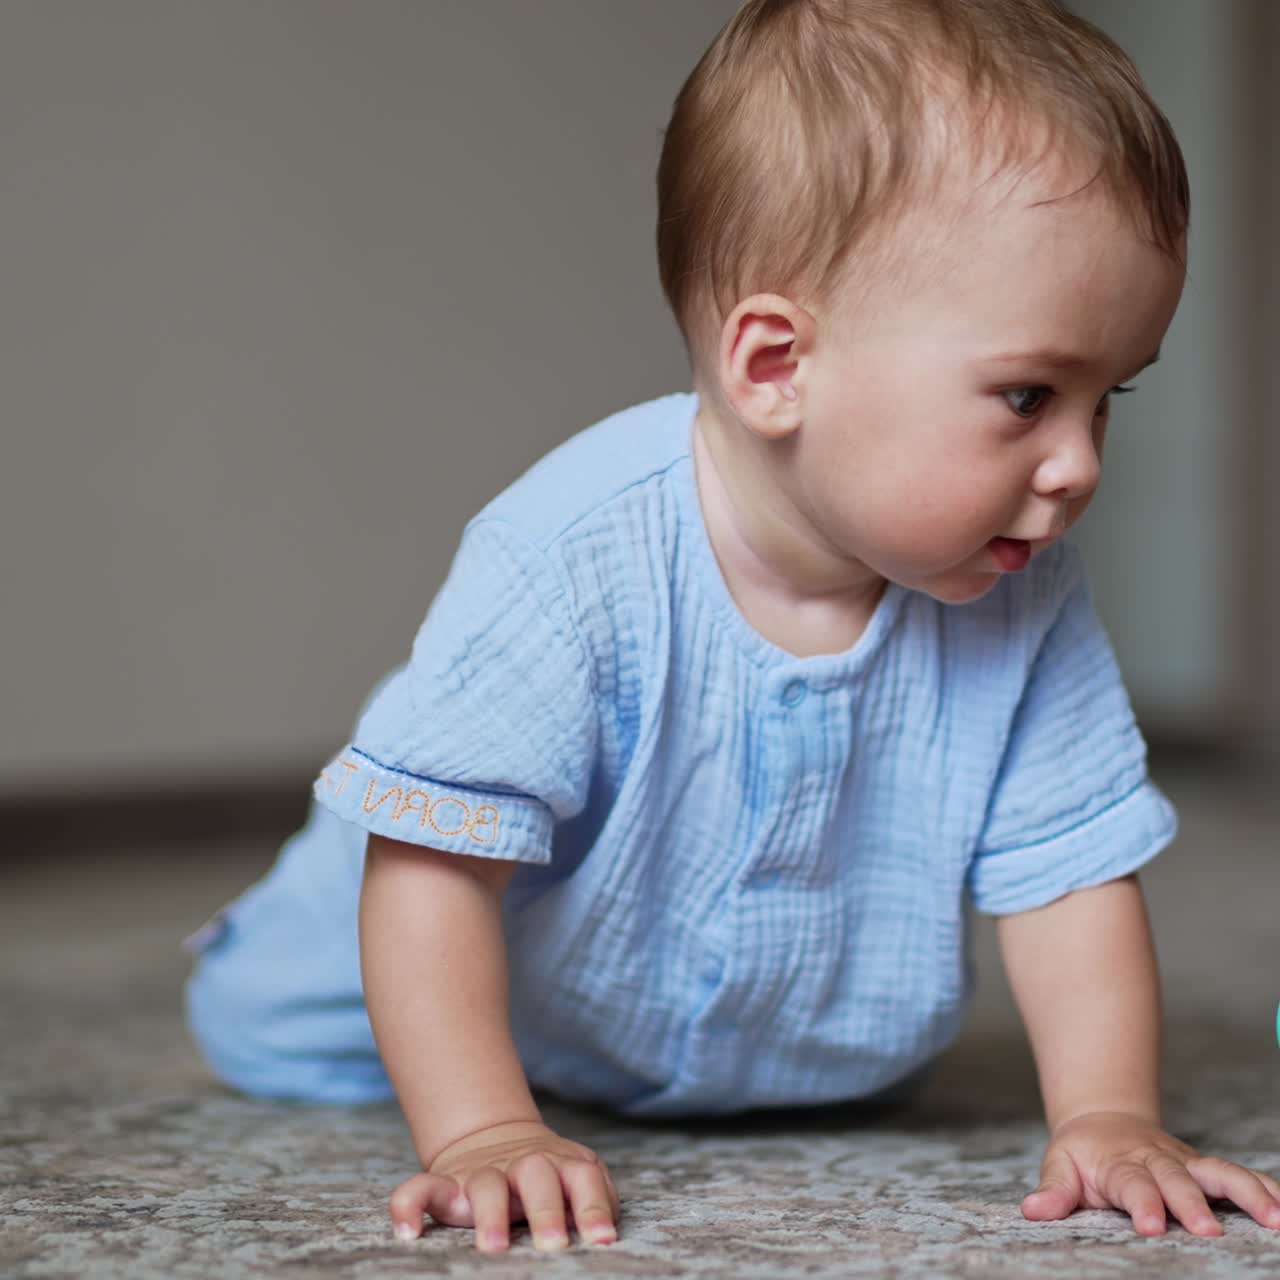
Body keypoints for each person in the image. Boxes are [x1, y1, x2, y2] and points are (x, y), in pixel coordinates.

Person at [184, 0, 1280, 1253]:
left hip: (767, 1027)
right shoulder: (570, 550)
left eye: (1107, 398)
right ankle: (337, 879)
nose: (1078, 464)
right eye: (1027, 395)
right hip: (415, 965)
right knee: (283, 991)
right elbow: (435, 872)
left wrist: (1107, 1110)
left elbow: (1069, 871)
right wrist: (482, 1127)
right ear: (774, 367)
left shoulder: (1027, 593)